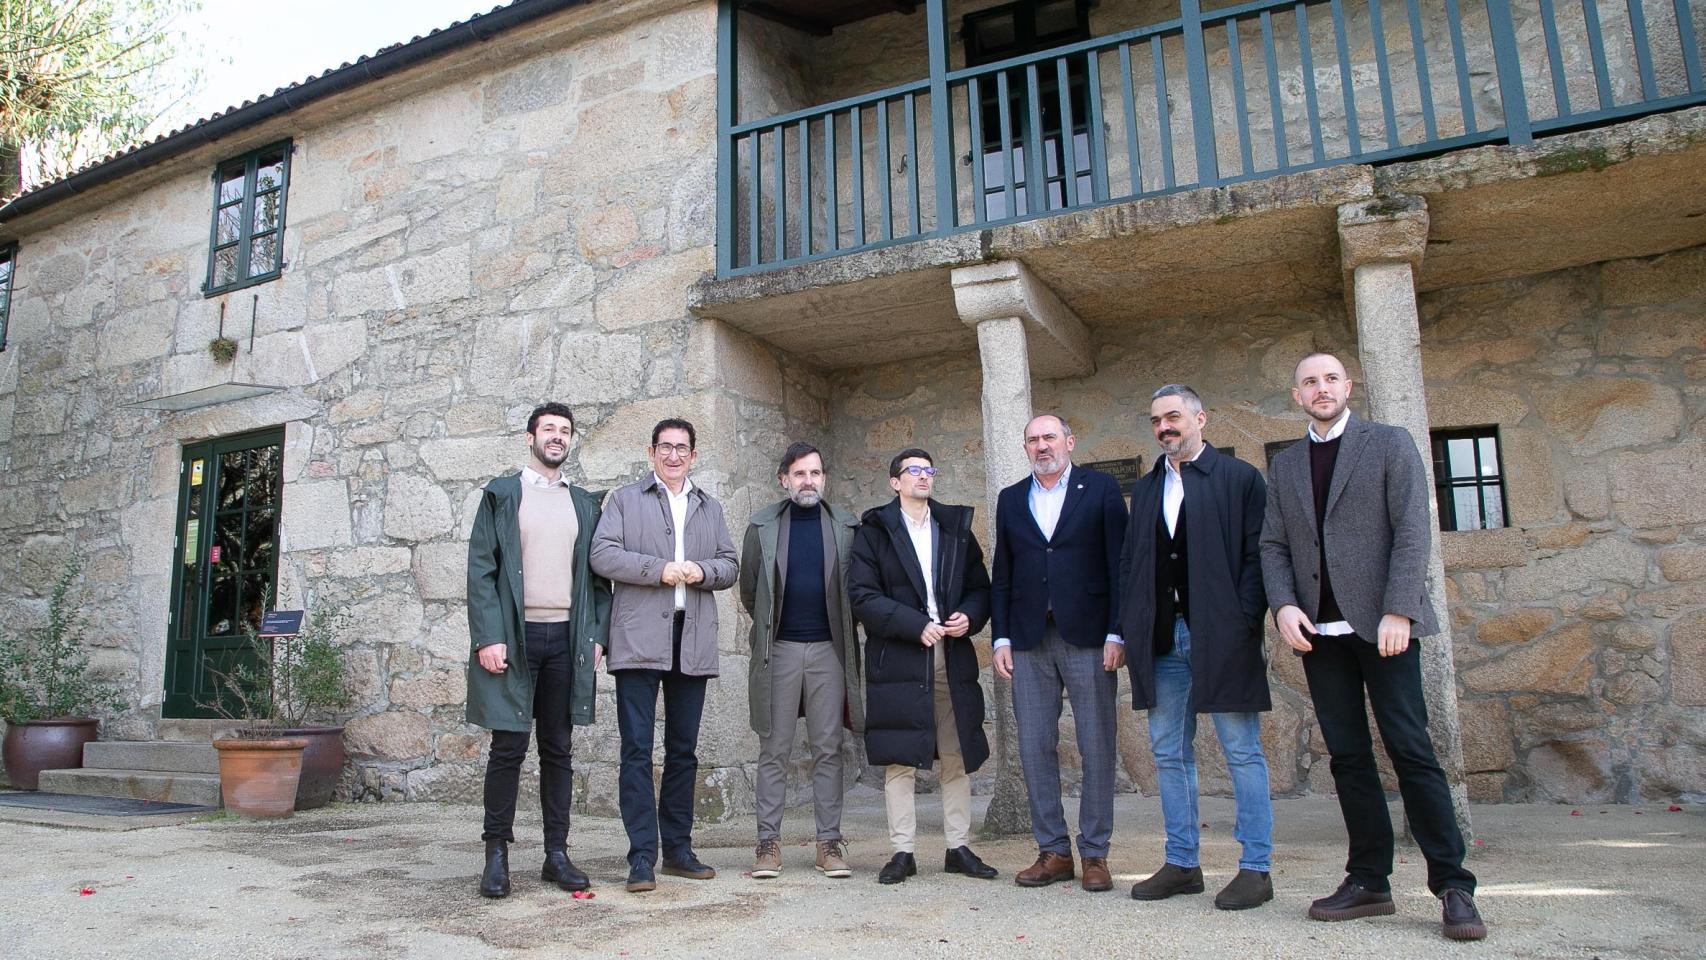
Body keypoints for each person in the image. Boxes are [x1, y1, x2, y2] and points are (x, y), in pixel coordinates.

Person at [1260, 352, 1487, 941]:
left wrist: (1399, 608)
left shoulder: (1388, 443)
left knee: (1412, 751)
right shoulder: (1286, 466)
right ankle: (1368, 881)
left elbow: (1413, 528)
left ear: (1348, 386)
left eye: (1331, 379)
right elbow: (1273, 545)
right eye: (1310, 382)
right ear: (1297, 395)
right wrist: (1284, 605)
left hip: (1386, 629)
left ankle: (1454, 885)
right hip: (1320, 635)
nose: (1321, 388)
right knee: (1348, 758)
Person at [1120, 385, 1274, 910]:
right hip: (1162, 639)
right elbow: (1132, 564)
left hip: (1224, 635)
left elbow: (1258, 556)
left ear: (1200, 418)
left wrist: (1243, 619)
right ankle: (1183, 863)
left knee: (1242, 751)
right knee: (1169, 753)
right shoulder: (1146, 489)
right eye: (1156, 420)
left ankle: (1256, 869)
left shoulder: (1239, 478)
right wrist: (1130, 627)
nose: (1164, 427)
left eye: (1173, 417)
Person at [465, 402, 611, 899]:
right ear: (531, 437)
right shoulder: (503, 494)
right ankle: (496, 855)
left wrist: (597, 636)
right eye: (549, 428)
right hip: (514, 637)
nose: (557, 437)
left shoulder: (584, 503)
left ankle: (556, 855)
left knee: (558, 748)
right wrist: (488, 636)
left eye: (565, 430)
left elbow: (599, 580)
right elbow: (481, 570)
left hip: (565, 640)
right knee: (508, 747)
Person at [590, 418, 739, 894]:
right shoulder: (624, 500)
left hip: (690, 638)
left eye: (682, 448)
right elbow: (602, 555)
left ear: (693, 455)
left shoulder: (708, 506)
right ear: (651, 451)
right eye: (665, 447)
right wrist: (659, 570)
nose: (673, 455)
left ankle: (678, 850)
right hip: (638, 637)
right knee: (636, 750)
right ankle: (641, 857)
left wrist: (701, 571)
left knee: (683, 750)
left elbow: (730, 565)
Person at [848, 448, 999, 885]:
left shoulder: (954, 528)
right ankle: (903, 852)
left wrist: (970, 615)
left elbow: (980, 588)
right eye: (913, 470)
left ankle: (958, 847)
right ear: (894, 482)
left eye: (928, 469)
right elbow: (862, 596)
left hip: (951, 657)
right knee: (900, 758)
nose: (923, 476)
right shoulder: (874, 532)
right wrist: (915, 626)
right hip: (899, 657)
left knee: (956, 753)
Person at [990, 414, 1128, 892]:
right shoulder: (1011, 498)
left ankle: (1095, 853)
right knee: (1033, 746)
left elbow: (1120, 564)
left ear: (1069, 441)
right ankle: (1052, 851)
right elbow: (1003, 573)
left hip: (1088, 636)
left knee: (1096, 744)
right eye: (1033, 439)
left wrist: (1117, 632)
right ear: (1025, 448)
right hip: (1028, 639)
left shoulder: (1101, 489)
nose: (1042, 445)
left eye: (1050, 437)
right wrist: (1001, 638)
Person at [739, 441, 864, 880]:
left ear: (823, 478)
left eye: (814, 473)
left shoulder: (846, 527)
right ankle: (767, 844)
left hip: (830, 650)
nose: (807, 481)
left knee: (828, 747)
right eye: (799, 474)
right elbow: (751, 591)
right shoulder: (762, 526)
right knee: (774, 748)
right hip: (780, 651)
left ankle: (828, 843)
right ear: (784, 480)